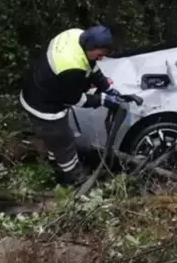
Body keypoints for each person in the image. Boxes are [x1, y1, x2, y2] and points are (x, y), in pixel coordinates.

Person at [19, 25, 122, 185]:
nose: (101, 58)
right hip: (43, 107)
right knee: (64, 142)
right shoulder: (71, 66)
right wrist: (103, 100)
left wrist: (107, 88)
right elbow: (75, 99)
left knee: (55, 141)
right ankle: (74, 178)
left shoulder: (76, 35)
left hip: (36, 89)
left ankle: (54, 165)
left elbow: (91, 67)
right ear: (91, 47)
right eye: (100, 54)